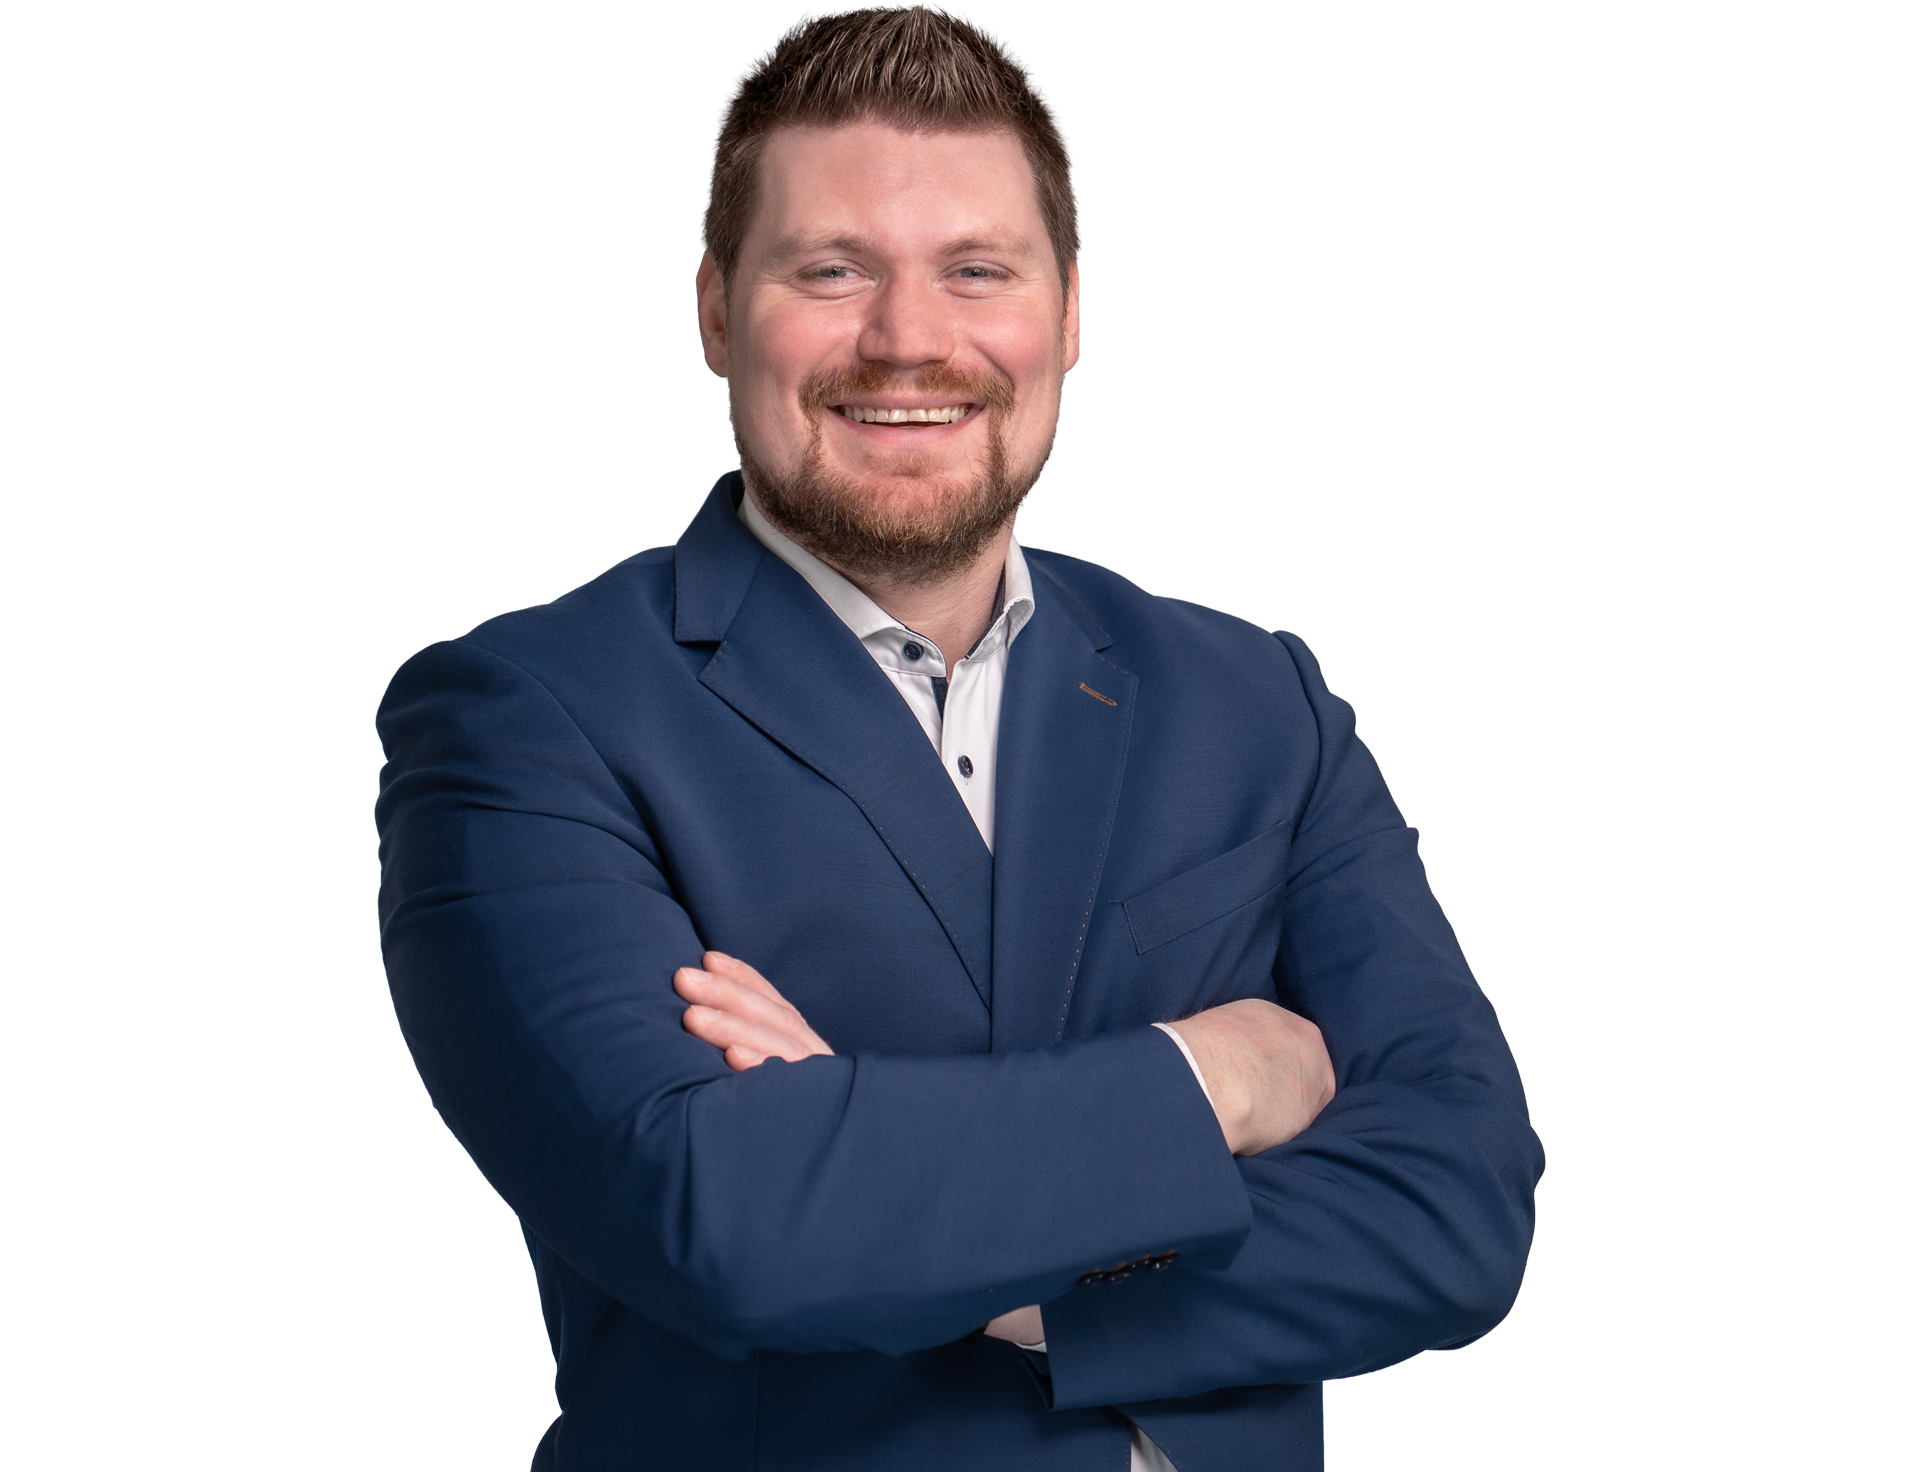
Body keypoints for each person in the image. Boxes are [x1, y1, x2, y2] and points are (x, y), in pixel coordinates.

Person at [375, 10, 1543, 1471]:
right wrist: (1211, 1080)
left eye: (976, 271)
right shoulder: (522, 719)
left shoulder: (1258, 701)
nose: (910, 339)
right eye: (831, 270)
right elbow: (722, 1218)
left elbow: (1458, 1210)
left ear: (1068, 318)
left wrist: (936, 1226)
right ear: (720, 313)